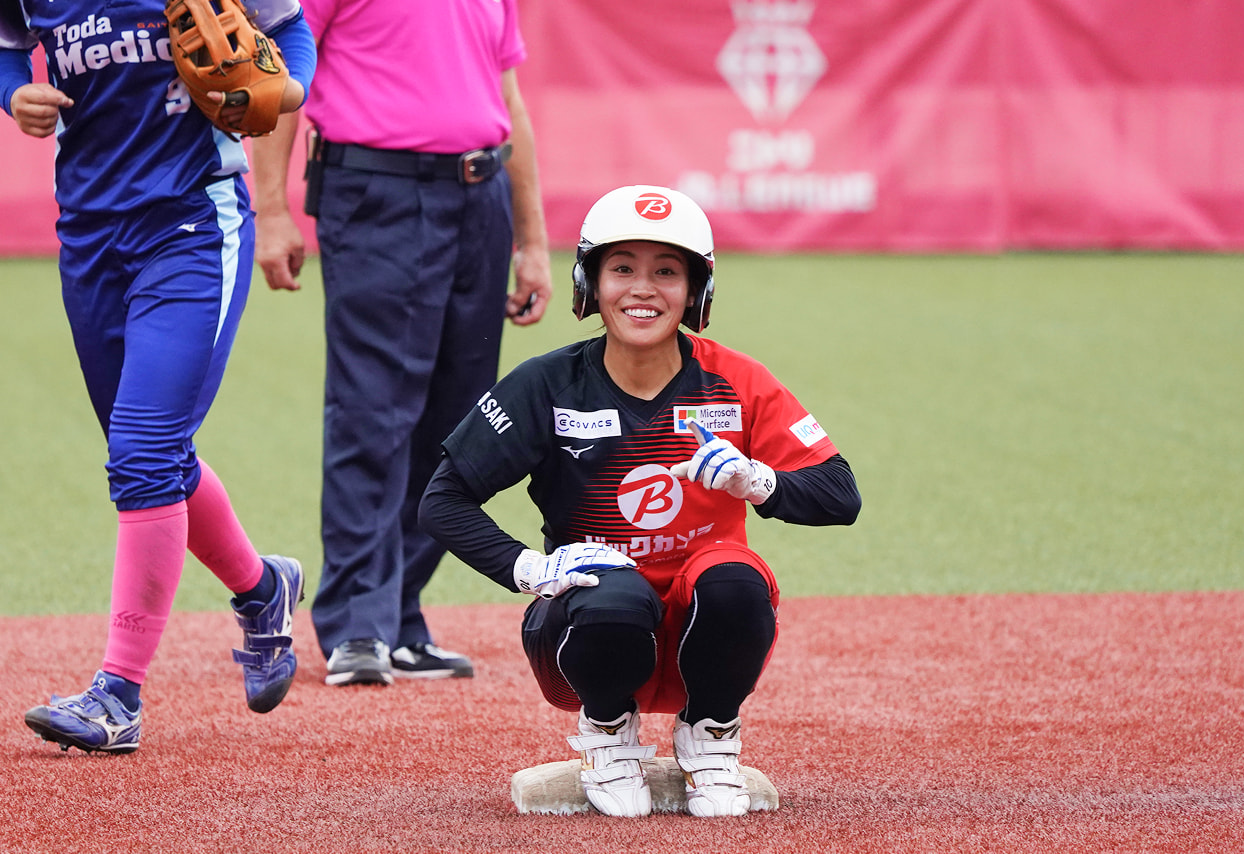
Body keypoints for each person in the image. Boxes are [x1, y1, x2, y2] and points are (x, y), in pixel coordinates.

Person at [418, 185, 861, 817]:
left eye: (667, 272)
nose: (643, 290)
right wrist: (532, 569)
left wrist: (758, 480)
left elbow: (840, 493)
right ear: (589, 284)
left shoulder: (735, 381)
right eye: (622, 268)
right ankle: (606, 732)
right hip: (584, 633)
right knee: (612, 591)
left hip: (704, 635)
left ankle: (711, 734)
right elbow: (443, 500)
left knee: (736, 580)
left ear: (697, 290)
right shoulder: (546, 384)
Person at [1, 1, 317, 754]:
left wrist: (285, 90)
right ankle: (262, 588)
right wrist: (13, 92)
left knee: (143, 451)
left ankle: (118, 695)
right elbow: (6, 44)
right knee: (150, 453)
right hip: (87, 230)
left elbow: (291, 31)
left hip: (191, 224)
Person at [250, 0, 553, 688]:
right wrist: (271, 211)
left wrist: (532, 241)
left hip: (480, 196)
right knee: (372, 408)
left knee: (461, 421)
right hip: (376, 194)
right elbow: (278, 78)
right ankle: (358, 622)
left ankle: (400, 612)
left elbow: (508, 100)